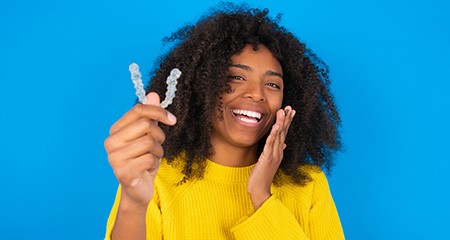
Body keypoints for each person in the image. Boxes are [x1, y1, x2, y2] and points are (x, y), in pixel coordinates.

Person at [104, 3, 344, 239]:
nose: (257, 93)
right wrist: (134, 203)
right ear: (203, 85)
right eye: (237, 77)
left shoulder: (309, 185)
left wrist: (261, 196)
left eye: (272, 84)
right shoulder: (155, 178)